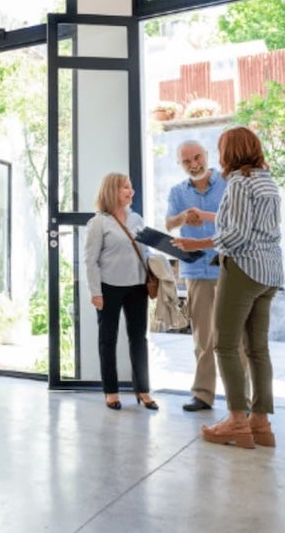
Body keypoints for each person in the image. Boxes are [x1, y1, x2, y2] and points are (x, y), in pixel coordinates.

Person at [173, 126, 283, 448]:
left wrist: (198, 244)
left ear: (230, 151)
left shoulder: (238, 182)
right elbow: (250, 226)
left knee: (223, 344)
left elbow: (234, 236)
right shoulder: (267, 181)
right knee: (258, 349)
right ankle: (260, 423)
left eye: (221, 148)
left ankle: (236, 421)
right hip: (269, 272)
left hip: (243, 269)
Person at [166, 140, 248, 412]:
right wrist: (183, 218)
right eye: (186, 161)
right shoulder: (177, 192)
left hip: (229, 268)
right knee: (203, 338)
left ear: (206, 155)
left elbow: (236, 221)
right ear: (180, 164)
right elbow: (169, 223)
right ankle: (203, 394)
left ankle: (241, 399)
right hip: (195, 271)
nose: (193, 164)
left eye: (197, 157)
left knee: (235, 338)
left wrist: (205, 217)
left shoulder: (228, 184)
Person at [84, 173, 159, 411]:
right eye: (126, 187)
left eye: (131, 187)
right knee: (108, 339)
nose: (131, 191)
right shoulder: (99, 222)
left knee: (139, 339)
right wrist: (96, 292)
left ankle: (143, 390)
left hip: (137, 286)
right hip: (109, 288)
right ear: (112, 191)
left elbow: (145, 251)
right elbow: (90, 260)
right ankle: (111, 391)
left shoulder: (136, 218)